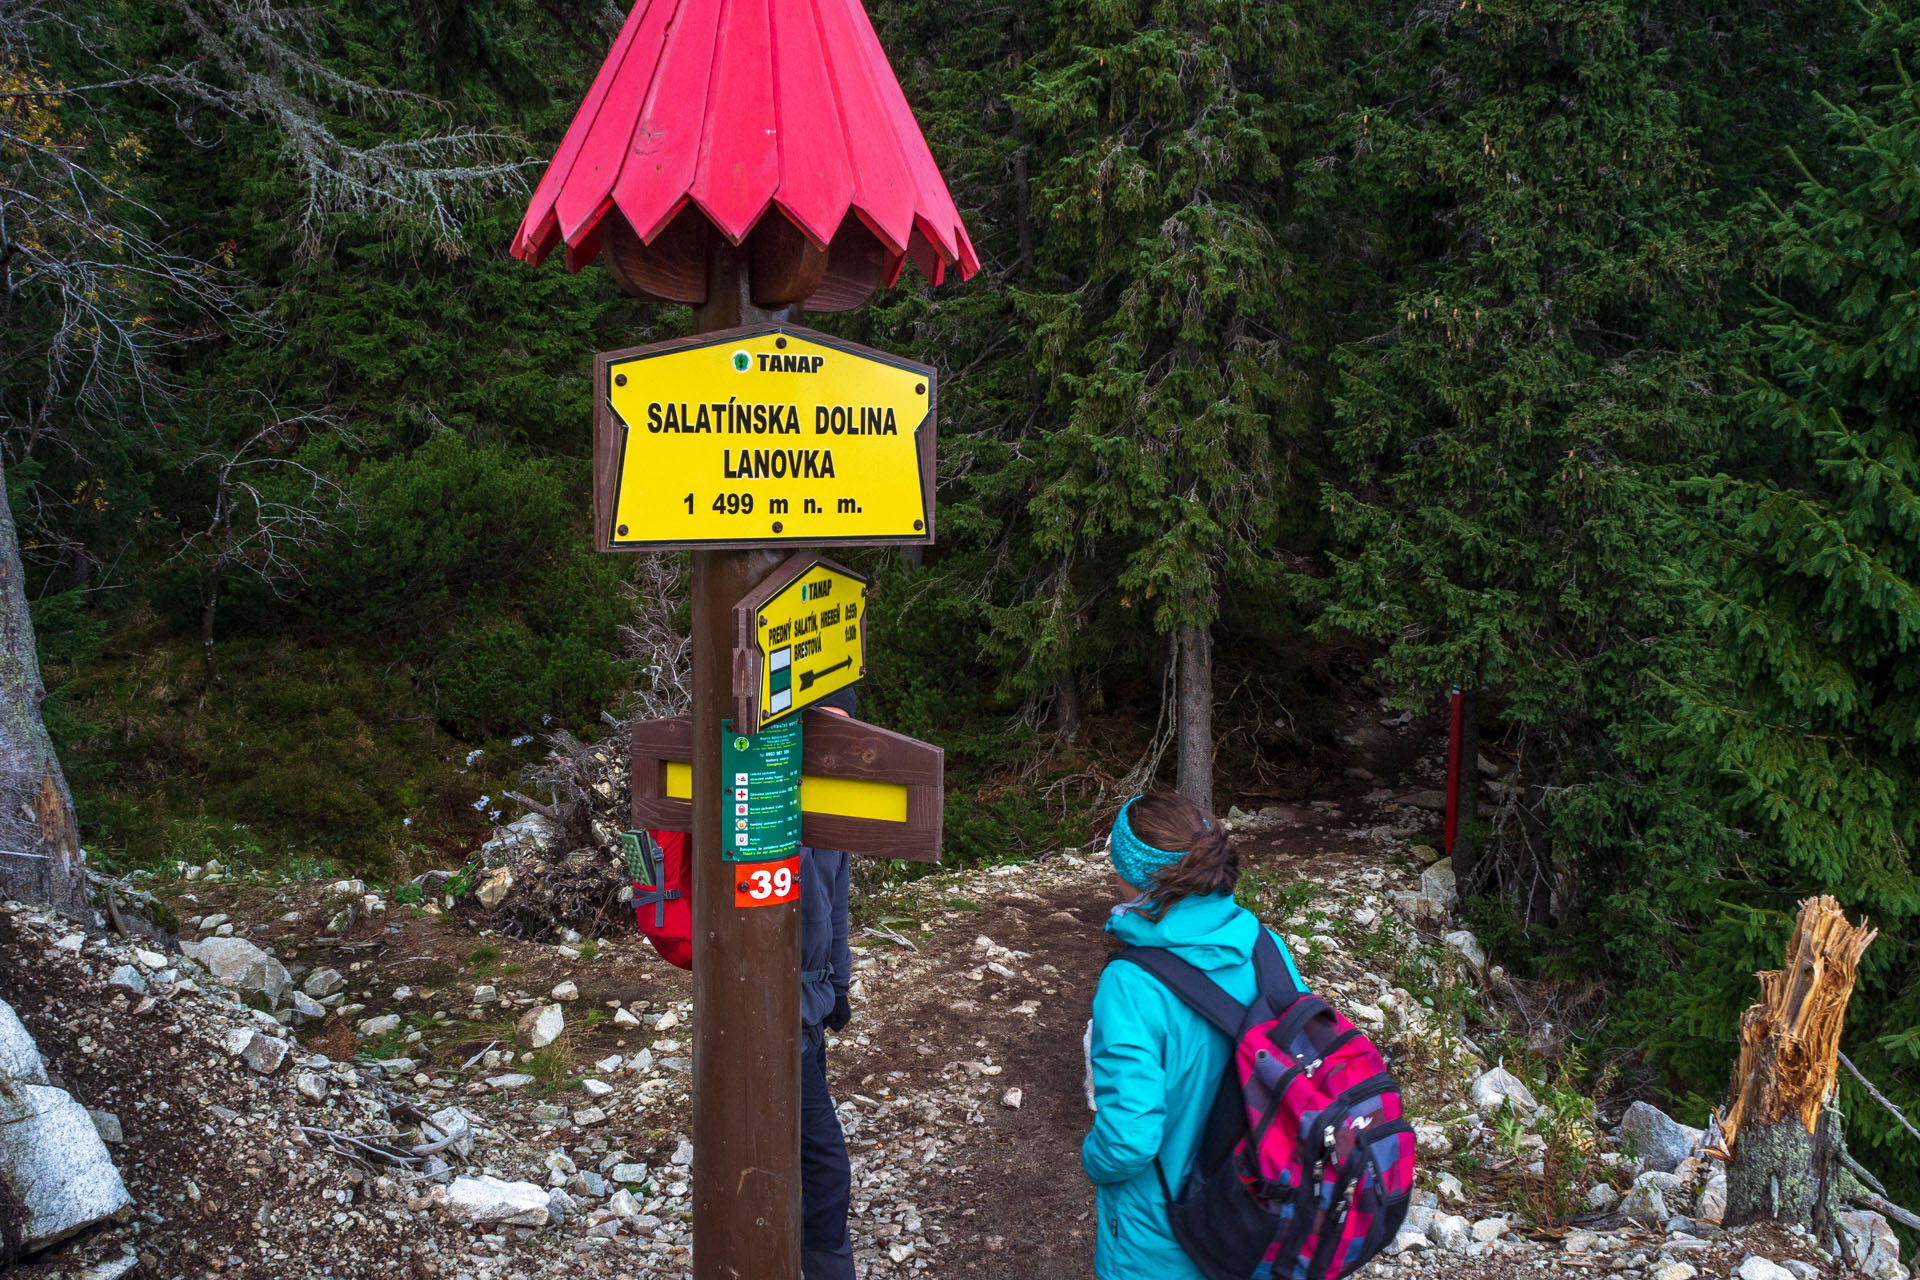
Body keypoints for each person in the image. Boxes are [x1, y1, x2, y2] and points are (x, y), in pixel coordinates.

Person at [1081, 791, 1306, 1280]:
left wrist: (1092, 1161)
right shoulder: (1267, 948)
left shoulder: (1130, 983)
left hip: (1164, 1241)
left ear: (1129, 874)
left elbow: (1128, 1141)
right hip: (1263, 1215)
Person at [798, 687, 857, 1280]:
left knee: (803, 1162)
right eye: (819, 728)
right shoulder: (766, 798)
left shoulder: (838, 808)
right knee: (826, 1170)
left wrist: (840, 985)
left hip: (812, 1010)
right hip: (772, 1013)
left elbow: (836, 908)